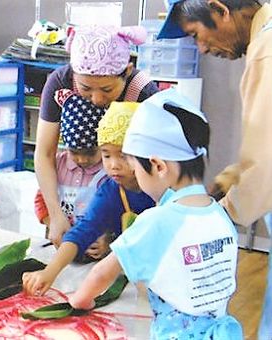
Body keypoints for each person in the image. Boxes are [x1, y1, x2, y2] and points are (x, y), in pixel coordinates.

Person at [68, 89, 242, 339]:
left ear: (159, 166)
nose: (135, 175)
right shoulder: (220, 215)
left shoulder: (158, 221)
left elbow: (102, 272)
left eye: (136, 168)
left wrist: (81, 299)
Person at [158, 1, 271, 338]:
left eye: (197, 35)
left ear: (220, 9)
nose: (203, 48)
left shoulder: (267, 49)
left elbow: (267, 156)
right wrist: (240, 172)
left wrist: (221, 213)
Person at [35, 24, 159, 247]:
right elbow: (44, 153)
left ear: (127, 71)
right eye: (85, 88)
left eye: (107, 90)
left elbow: (155, 169)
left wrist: (112, 230)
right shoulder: (59, 82)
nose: (97, 99)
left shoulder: (144, 92)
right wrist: (55, 215)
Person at [23, 101, 155, 296]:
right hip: (134, 279)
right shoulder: (111, 191)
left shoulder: (159, 190)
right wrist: (49, 272)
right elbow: (83, 231)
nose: (114, 165)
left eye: (123, 156)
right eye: (106, 155)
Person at [34, 89, 109, 262]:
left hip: (96, 257)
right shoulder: (57, 166)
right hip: (61, 253)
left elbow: (120, 211)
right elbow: (41, 200)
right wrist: (52, 220)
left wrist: (107, 239)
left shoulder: (109, 173)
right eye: (74, 152)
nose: (82, 159)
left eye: (90, 153)